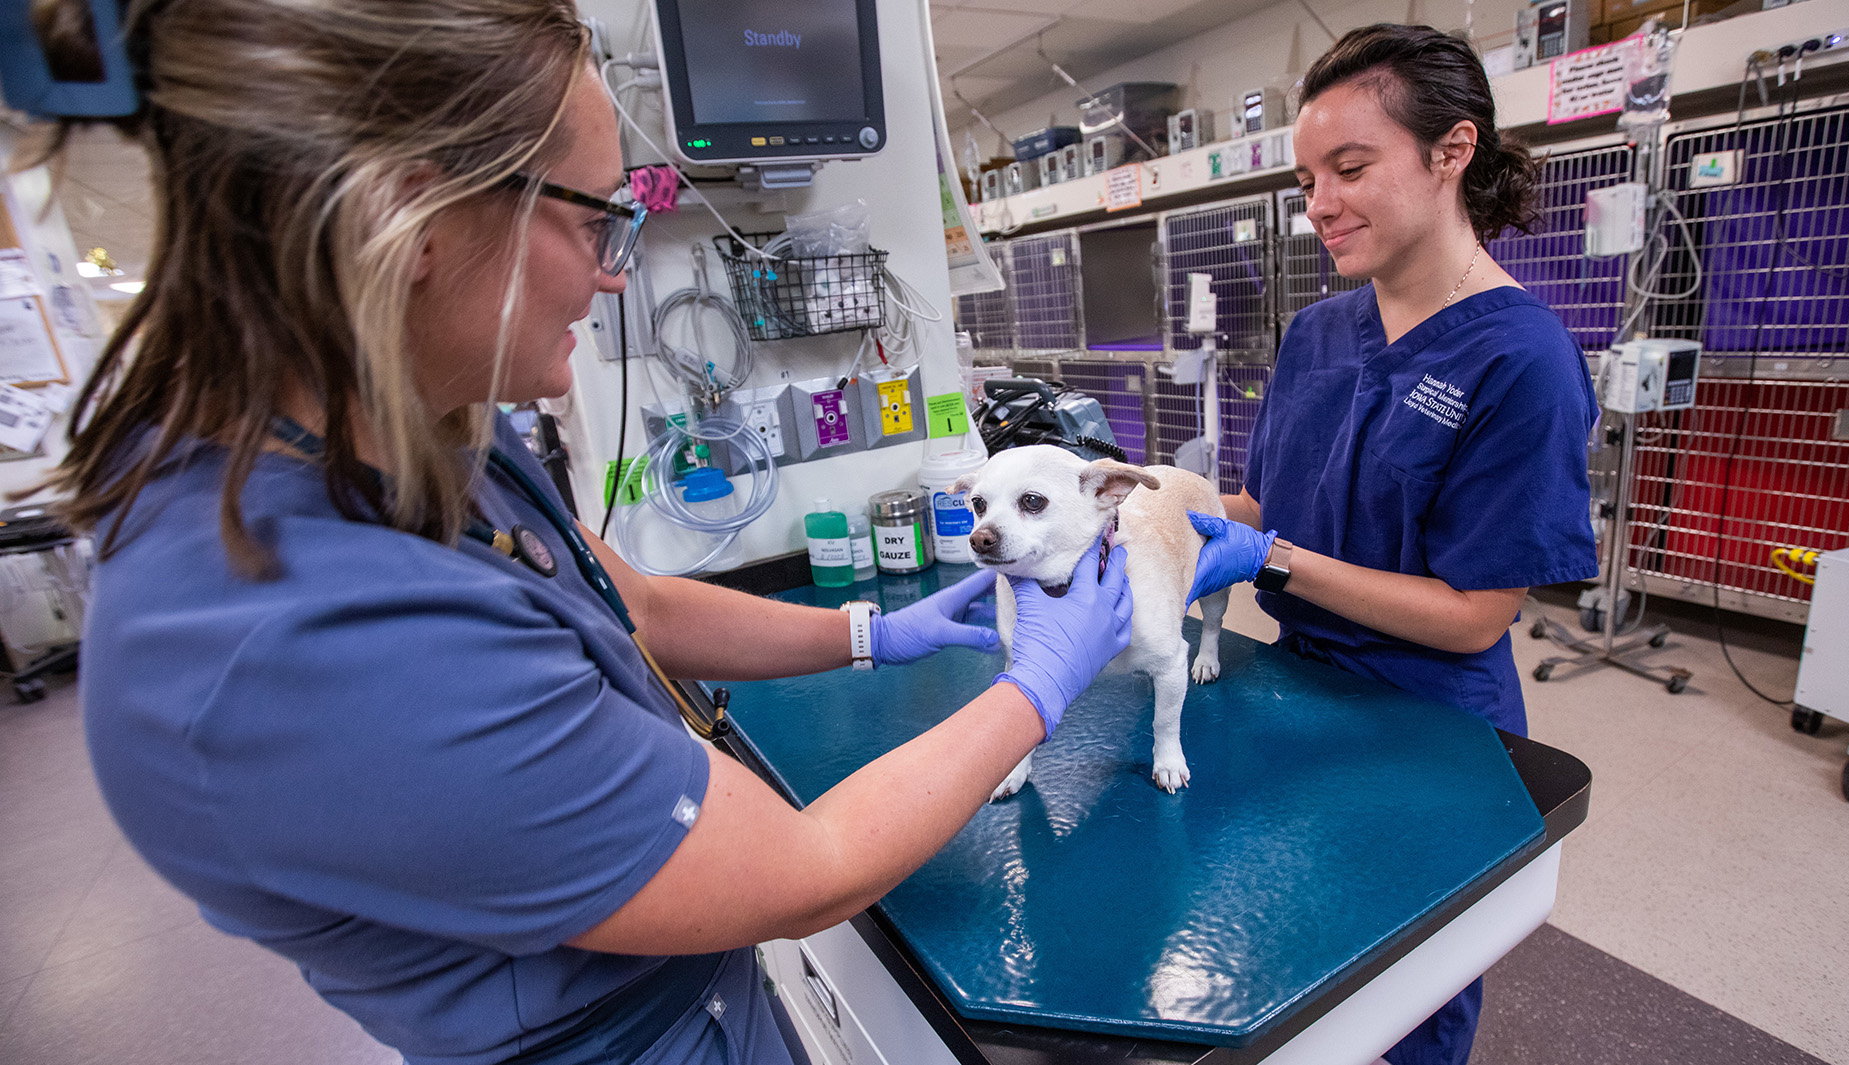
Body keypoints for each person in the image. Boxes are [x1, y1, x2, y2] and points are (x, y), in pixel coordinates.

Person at [33, 2, 1132, 1063]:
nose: (615, 273)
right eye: (596, 216)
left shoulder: (419, 431)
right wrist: (1036, 687)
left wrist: (864, 633)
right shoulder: (295, 637)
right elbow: (807, 869)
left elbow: (632, 602)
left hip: (696, 1007)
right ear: (404, 217)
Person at [1182, 24, 1599, 1065]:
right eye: (1307, 175)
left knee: (1402, 1005)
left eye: (1350, 168)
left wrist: (1268, 559)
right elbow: (1258, 502)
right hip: (1293, 698)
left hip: (1427, 730)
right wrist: (1155, 513)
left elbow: (1471, 619)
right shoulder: (1318, 334)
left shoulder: (1522, 358)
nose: (1318, 202)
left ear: (1450, 152)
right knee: (1288, 963)